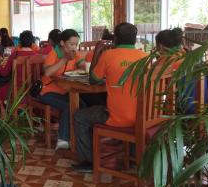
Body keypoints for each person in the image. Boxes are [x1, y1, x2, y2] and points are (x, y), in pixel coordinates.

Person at [72, 22, 148, 173]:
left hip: (118, 119)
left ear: (116, 38)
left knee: (79, 116)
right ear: (134, 39)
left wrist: (98, 52)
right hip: (143, 117)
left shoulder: (109, 55)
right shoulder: (145, 57)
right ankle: (134, 156)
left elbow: (93, 79)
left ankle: (89, 161)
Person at [37, 29, 86, 150]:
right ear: (63, 43)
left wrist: (81, 64)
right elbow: (47, 72)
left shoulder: (75, 53)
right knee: (69, 105)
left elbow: (82, 66)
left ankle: (78, 138)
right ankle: (63, 139)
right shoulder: (55, 53)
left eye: (76, 44)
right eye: (71, 44)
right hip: (46, 91)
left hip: (64, 90)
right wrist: (64, 59)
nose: (74, 47)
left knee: (82, 105)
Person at [0, 30, 37, 107]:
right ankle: (6, 113)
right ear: (32, 42)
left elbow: (4, 73)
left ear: (20, 42)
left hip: (14, 89)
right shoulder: (37, 55)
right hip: (31, 89)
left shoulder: (15, 54)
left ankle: (2, 116)